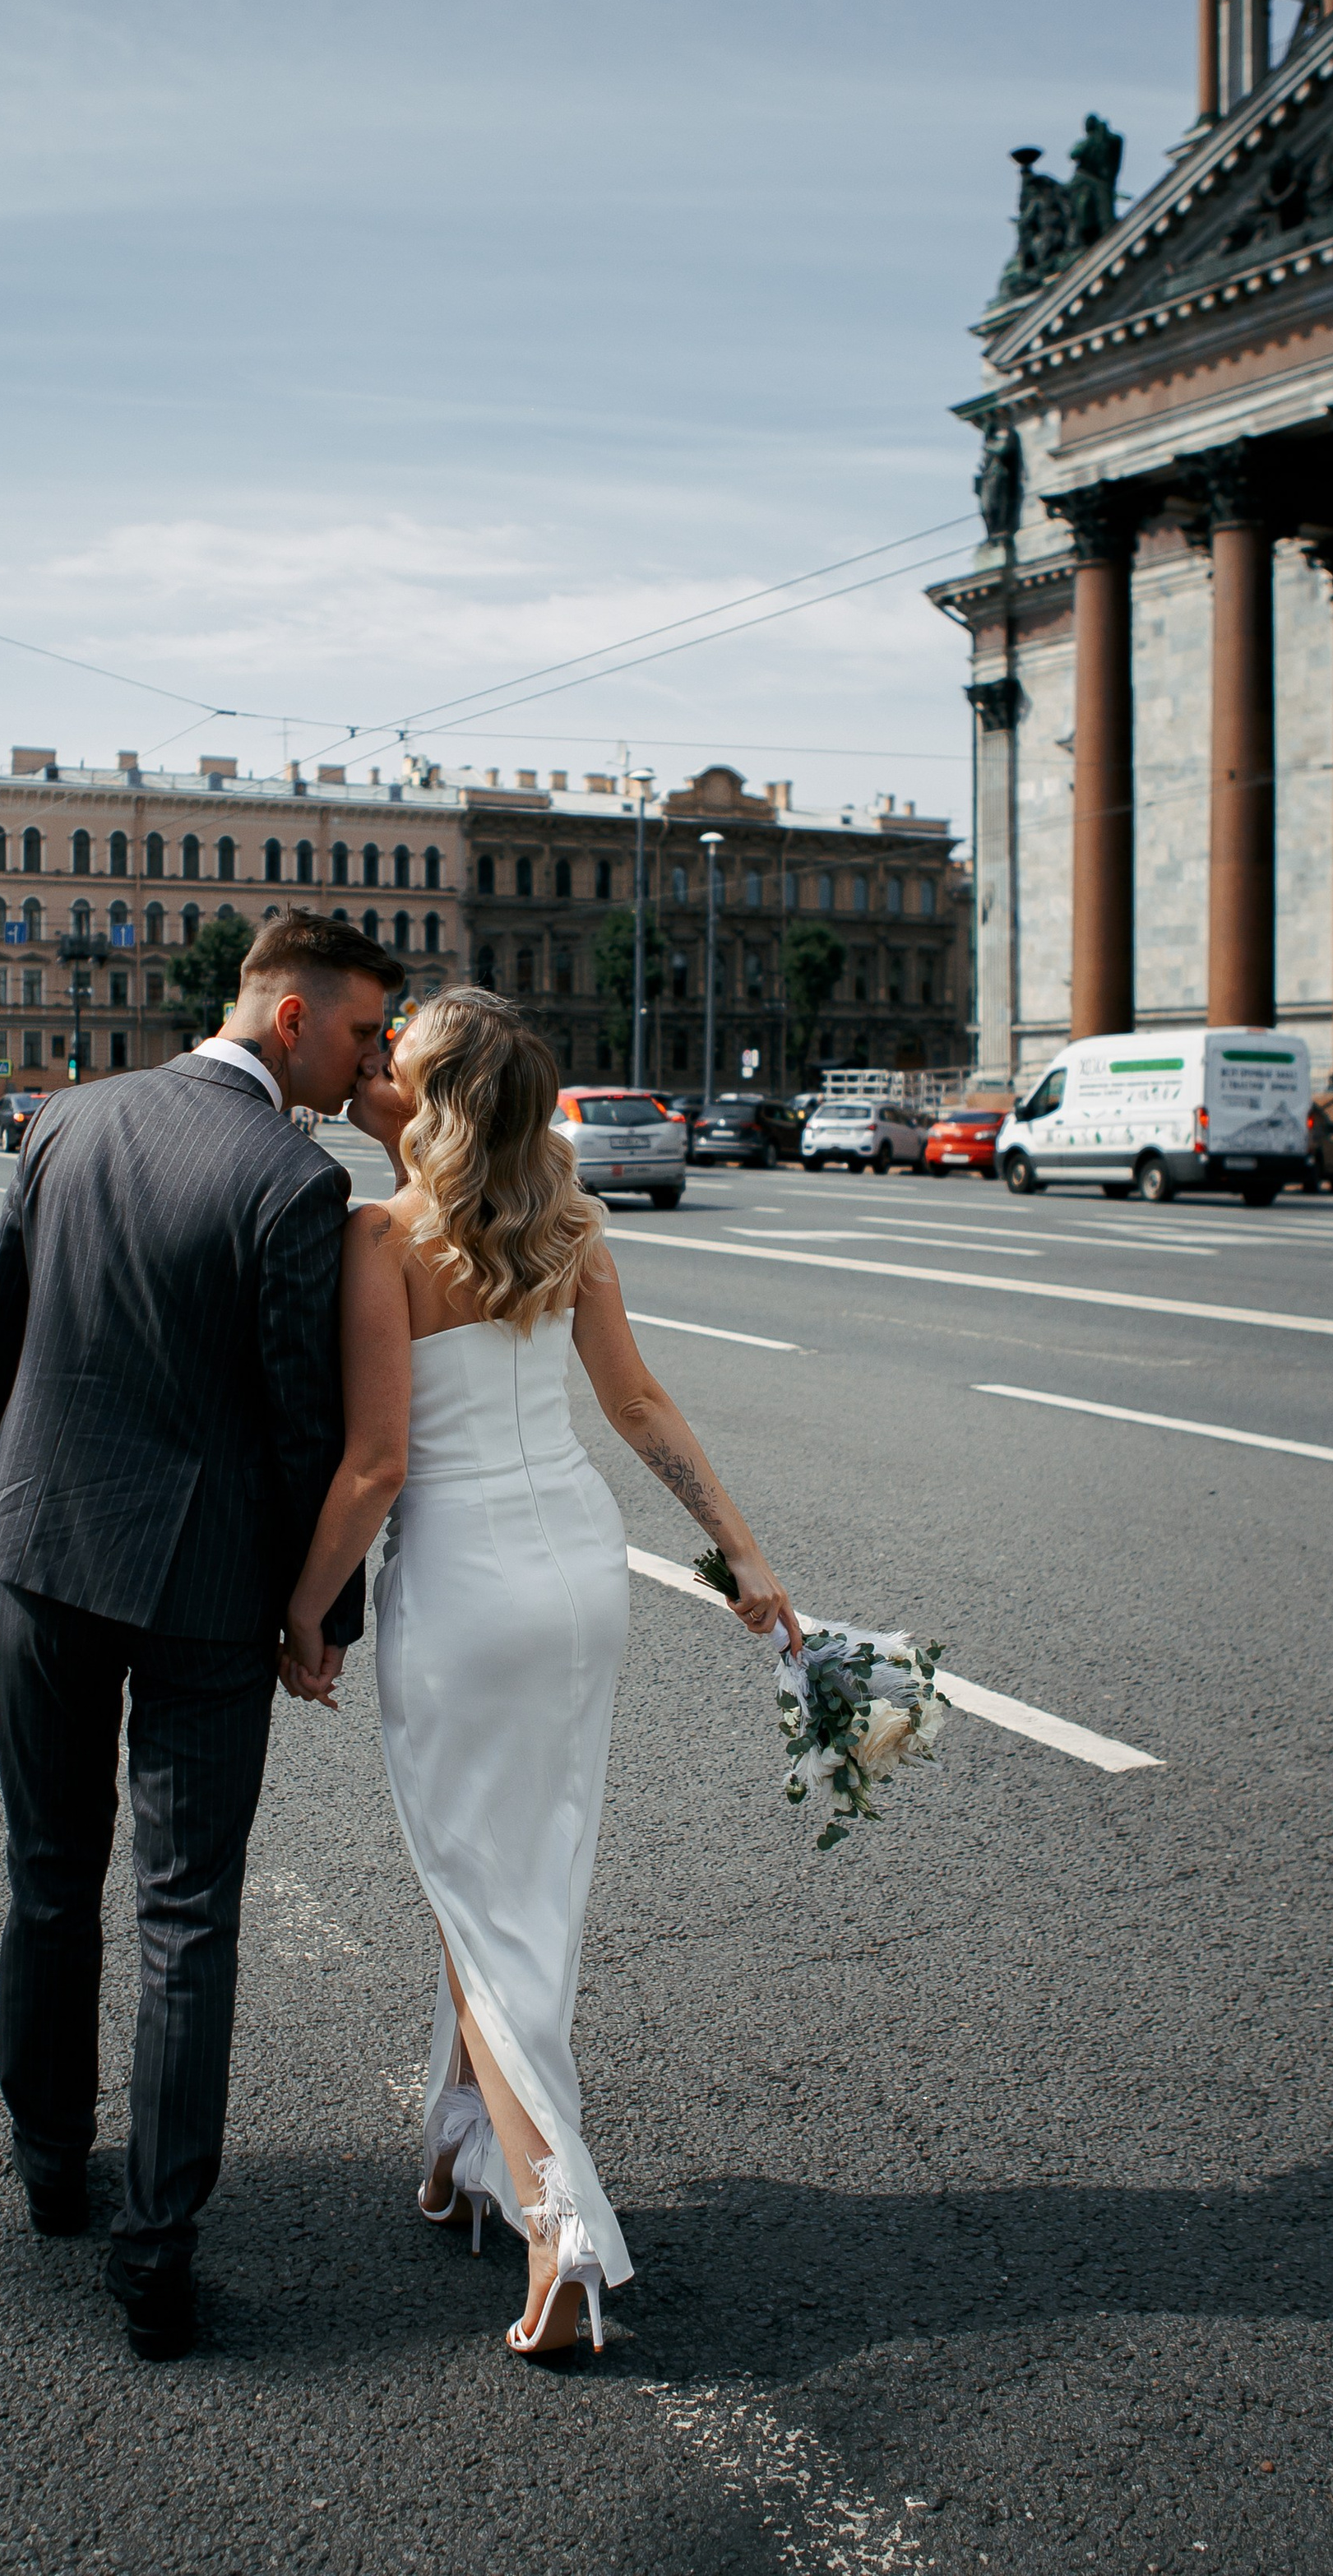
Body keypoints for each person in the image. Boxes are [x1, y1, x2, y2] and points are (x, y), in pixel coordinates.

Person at [282, 988, 800, 2362]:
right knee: (511, 1882)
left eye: (396, 1062)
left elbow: (379, 1466)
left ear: (436, 1101)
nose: (374, 1072)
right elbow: (638, 1405)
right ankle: (464, 2147)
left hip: (461, 1588)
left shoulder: (382, 1239)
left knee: (482, 1895)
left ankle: (558, 2219)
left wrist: (300, 1611)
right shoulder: (573, 1222)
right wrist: (742, 1556)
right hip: (579, 1573)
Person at [0, 909, 408, 2361]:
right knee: (186, 1914)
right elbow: (304, 1430)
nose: (372, 1061)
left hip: (46, 1553)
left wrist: (22, 1501)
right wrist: (318, 1613)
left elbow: (1, 1335)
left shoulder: (70, 1120)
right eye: (360, 1033)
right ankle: (156, 2255)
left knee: (48, 1875)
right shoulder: (294, 1179)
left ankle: (50, 2174)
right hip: (209, 1593)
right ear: (292, 1018)